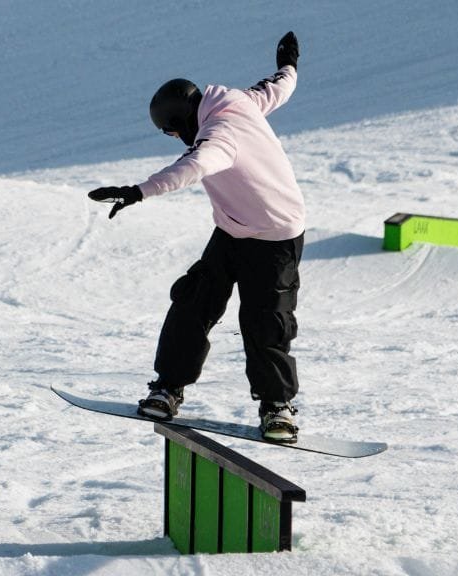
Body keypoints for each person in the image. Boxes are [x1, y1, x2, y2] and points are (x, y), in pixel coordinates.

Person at [87, 32, 305, 442]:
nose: (174, 140)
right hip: (231, 230)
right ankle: (168, 388)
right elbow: (278, 88)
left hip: (275, 238)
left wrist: (138, 191)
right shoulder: (237, 100)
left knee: (265, 320)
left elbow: (194, 165)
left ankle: (277, 407)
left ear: (181, 121)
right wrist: (289, 64)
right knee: (193, 301)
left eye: (171, 134)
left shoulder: (218, 134)